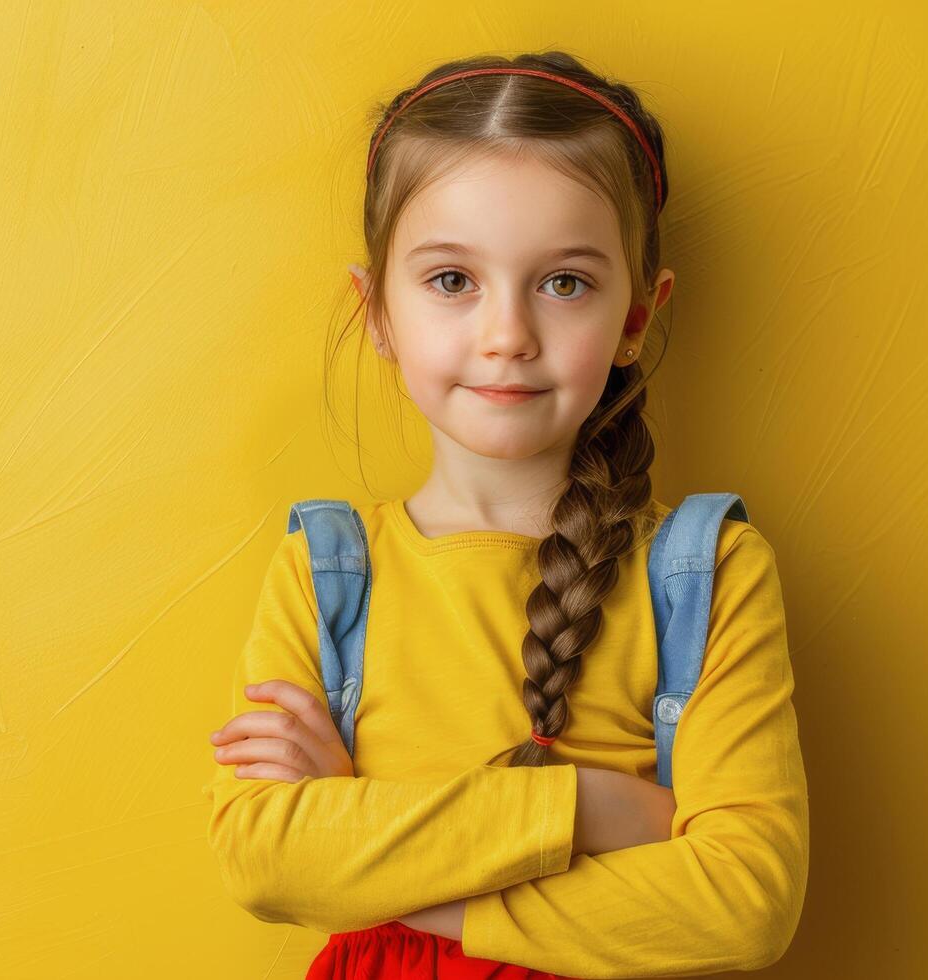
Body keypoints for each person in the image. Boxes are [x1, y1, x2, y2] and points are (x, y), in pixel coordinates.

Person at [202, 51, 810, 979]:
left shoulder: (706, 573)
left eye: (563, 282)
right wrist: (589, 811)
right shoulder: (327, 571)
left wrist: (379, 858)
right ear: (377, 314)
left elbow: (745, 909)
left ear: (637, 317)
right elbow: (262, 859)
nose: (506, 335)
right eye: (452, 280)